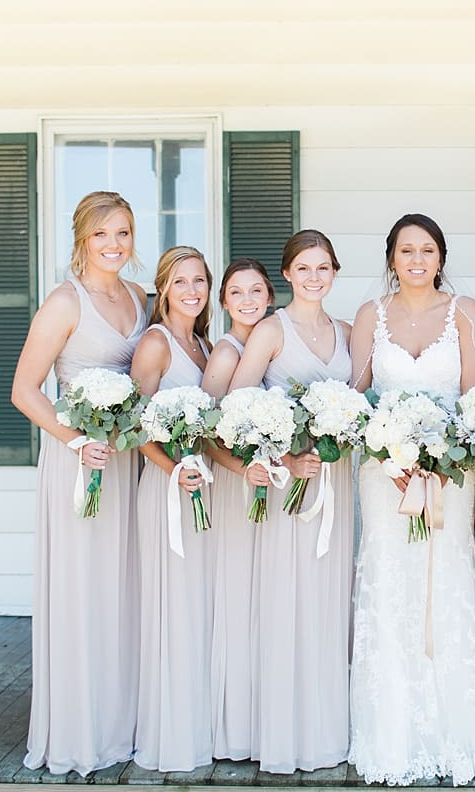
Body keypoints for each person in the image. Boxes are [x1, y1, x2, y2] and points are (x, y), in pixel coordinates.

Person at [348, 213, 475, 785]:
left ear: (441, 258)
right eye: (406, 250)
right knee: (389, 584)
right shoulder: (370, 314)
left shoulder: (465, 311)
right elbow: (357, 394)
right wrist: (389, 455)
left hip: (449, 474)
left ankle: (451, 732)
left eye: (427, 250)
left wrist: (440, 457)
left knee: (444, 583)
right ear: (391, 258)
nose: (416, 259)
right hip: (383, 476)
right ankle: (392, 735)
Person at [11, 190, 147, 776]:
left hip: (126, 461)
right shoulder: (64, 302)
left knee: (124, 589)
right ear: (82, 240)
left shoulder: (139, 296)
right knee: (83, 588)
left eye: (122, 233)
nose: (113, 245)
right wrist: (75, 442)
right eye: (101, 234)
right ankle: (78, 732)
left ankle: (122, 725)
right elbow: (24, 390)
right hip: (80, 462)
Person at [228, 230, 354, 774]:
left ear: (334, 272)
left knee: (327, 602)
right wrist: (284, 458)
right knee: (288, 603)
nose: (313, 277)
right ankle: (284, 734)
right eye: (303, 268)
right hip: (289, 489)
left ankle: (324, 730)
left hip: (336, 485)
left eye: (323, 267)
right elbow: (236, 408)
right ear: (287, 274)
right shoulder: (270, 331)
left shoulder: (347, 332)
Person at [129, 246, 214, 771]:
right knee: (173, 607)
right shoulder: (156, 343)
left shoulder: (204, 344)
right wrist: (172, 469)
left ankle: (202, 722)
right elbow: (136, 424)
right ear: (163, 288)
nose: (191, 290)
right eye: (180, 281)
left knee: (199, 606)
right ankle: (172, 734)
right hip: (168, 489)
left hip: (203, 487)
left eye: (199, 280)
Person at [200, 257, 275, 761]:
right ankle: (233, 727)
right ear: (224, 301)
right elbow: (206, 434)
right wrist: (242, 469)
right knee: (238, 600)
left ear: (269, 296)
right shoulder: (227, 353)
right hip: (235, 488)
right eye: (236, 293)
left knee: (257, 603)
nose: (247, 301)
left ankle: (258, 717)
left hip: (259, 485)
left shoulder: (264, 344)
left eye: (256, 291)